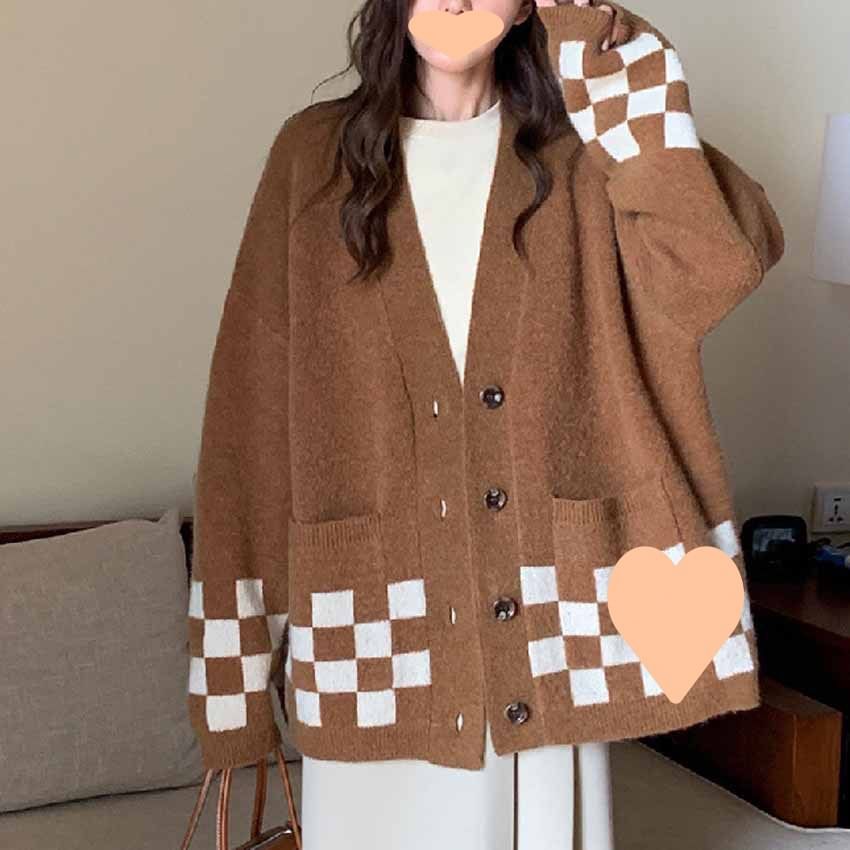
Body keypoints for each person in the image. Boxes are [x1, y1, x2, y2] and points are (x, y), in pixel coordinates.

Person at [187, 1, 785, 848]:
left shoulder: (585, 149)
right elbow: (248, 418)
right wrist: (236, 687)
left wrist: (607, 69)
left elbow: (718, 264)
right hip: (372, 657)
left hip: (547, 645)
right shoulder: (312, 158)